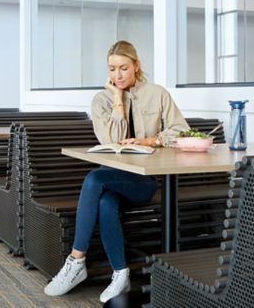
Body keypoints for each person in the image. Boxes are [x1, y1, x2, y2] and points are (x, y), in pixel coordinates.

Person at [44, 40, 189, 303]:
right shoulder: (101, 100)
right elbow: (110, 140)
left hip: (143, 181)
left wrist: (150, 141)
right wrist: (118, 102)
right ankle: (121, 275)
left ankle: (76, 261)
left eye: (123, 68)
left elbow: (182, 130)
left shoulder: (157, 93)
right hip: (112, 178)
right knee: (105, 202)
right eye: (112, 69)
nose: (117, 75)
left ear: (136, 66)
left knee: (94, 179)